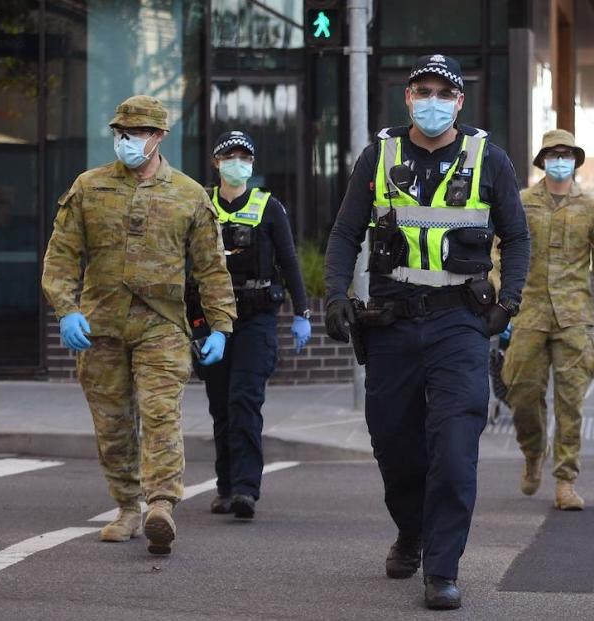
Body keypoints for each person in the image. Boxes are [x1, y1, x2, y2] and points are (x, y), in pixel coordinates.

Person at [323, 54, 529, 610]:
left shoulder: (490, 159)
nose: (431, 100)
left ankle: (442, 567)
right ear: (408, 98)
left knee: (456, 447)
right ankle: (411, 531)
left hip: (459, 322)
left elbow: (516, 237)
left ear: (459, 101)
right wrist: (336, 292)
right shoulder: (378, 156)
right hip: (390, 322)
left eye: (443, 92)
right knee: (394, 443)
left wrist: (508, 301)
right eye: (422, 91)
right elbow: (344, 234)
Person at [41, 95, 236, 556]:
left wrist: (221, 325)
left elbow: (211, 268)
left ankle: (161, 504)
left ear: (159, 137)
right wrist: (66, 309)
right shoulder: (89, 188)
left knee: (159, 413)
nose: (128, 141)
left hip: (162, 325)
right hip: (99, 325)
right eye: (122, 133)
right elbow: (61, 255)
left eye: (139, 133)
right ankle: (127, 506)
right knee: (111, 423)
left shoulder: (189, 195)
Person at [499, 129, 594, 511]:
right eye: (553, 153)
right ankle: (534, 451)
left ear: (575, 160)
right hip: (528, 312)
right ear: (542, 160)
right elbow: (500, 254)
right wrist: (501, 305)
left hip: (574, 317)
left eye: (566, 153)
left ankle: (565, 480)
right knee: (520, 393)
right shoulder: (520, 203)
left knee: (571, 402)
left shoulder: (592, 207)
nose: (559, 159)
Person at [198, 130, 311, 520]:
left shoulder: (269, 207)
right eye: (229, 155)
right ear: (216, 162)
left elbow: (289, 261)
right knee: (221, 406)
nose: (237, 162)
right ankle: (225, 485)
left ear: (252, 164)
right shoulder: (202, 205)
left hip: (256, 318)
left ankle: (246, 489)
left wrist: (302, 312)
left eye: (244, 156)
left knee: (245, 399)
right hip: (212, 320)